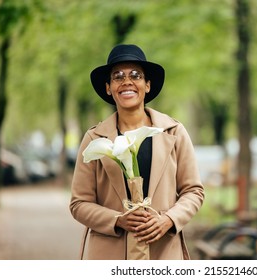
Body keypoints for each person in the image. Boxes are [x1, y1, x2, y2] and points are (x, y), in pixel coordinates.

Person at [69, 44, 205, 260]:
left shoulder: (174, 132)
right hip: (109, 255)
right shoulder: (94, 138)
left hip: (163, 251)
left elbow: (194, 191)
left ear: (147, 85)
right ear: (108, 87)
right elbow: (79, 204)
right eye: (118, 76)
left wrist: (169, 219)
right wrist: (116, 219)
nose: (127, 82)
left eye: (135, 75)